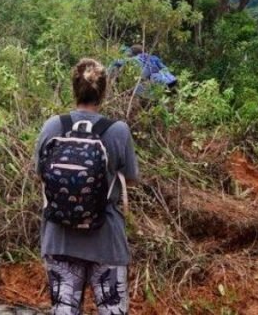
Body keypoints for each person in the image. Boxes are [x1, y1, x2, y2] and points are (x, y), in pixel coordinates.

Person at [35, 58, 140, 315]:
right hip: (106, 240)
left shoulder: (53, 126)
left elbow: (40, 174)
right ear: (103, 92)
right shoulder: (118, 131)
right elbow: (132, 177)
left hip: (59, 239)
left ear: (74, 89)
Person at [107, 44, 177, 96]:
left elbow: (117, 62)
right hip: (163, 80)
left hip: (145, 85)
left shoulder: (134, 59)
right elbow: (164, 68)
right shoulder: (153, 58)